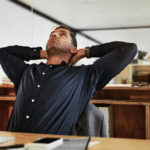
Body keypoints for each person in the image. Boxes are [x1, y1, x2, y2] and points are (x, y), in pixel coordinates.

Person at [0, 25, 137, 136]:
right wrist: (41, 53)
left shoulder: (84, 76)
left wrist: (86, 52)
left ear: (73, 49)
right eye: (52, 35)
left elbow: (129, 49)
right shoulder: (25, 71)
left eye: (62, 34)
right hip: (13, 146)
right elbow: (3, 53)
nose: (54, 35)